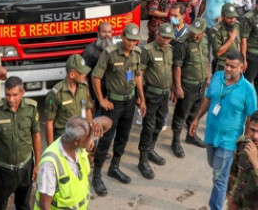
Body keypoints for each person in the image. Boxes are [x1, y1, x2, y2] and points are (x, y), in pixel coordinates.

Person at [188, 51, 258, 210]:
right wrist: (197, 118)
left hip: (229, 140)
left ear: (241, 68)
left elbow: (251, 117)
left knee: (219, 178)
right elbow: (208, 98)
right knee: (214, 165)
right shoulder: (217, 77)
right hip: (211, 135)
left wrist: (245, 141)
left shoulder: (248, 90)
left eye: (232, 66)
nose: (227, 68)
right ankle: (228, 177)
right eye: (226, 64)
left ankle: (216, 206)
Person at [89, 22, 145, 196]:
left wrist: (141, 98)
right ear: (122, 37)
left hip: (129, 102)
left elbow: (137, 75)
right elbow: (96, 76)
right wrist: (101, 99)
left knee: (123, 137)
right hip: (113, 104)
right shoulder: (110, 53)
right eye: (129, 40)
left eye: (135, 40)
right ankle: (96, 175)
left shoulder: (137, 52)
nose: (132, 43)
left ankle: (115, 167)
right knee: (106, 140)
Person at [0, 76, 42, 210]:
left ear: (22, 92)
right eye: (8, 95)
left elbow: (36, 136)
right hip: (3, 171)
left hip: (25, 168)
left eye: (15, 95)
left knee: (24, 204)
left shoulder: (31, 108)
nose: (11, 99)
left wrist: (37, 164)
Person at [137, 22, 175, 179]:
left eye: (168, 38)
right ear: (157, 35)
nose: (166, 40)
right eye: (163, 37)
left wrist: (173, 89)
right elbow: (139, 74)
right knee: (148, 126)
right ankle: (143, 160)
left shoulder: (170, 50)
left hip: (164, 94)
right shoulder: (148, 50)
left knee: (160, 124)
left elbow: (170, 70)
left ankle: (151, 149)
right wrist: (141, 98)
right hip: (151, 94)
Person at [35, 116, 96, 210]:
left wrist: (95, 125)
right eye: (88, 138)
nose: (91, 139)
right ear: (76, 141)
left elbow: (107, 123)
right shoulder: (49, 165)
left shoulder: (77, 149)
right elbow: (44, 206)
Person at [171, 17, 209, 158]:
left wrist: (207, 76)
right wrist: (178, 87)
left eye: (198, 33)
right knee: (181, 114)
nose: (194, 35)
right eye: (193, 31)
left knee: (195, 112)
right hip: (187, 85)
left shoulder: (205, 41)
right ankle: (175, 141)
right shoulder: (183, 43)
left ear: (203, 32)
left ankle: (190, 135)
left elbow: (205, 59)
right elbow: (177, 66)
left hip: (200, 83)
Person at [43, 54, 94, 143]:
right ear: (72, 74)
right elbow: (49, 123)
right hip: (64, 139)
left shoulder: (83, 88)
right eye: (81, 73)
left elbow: (87, 110)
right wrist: (51, 148)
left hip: (81, 136)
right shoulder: (56, 94)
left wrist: (90, 136)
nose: (84, 75)